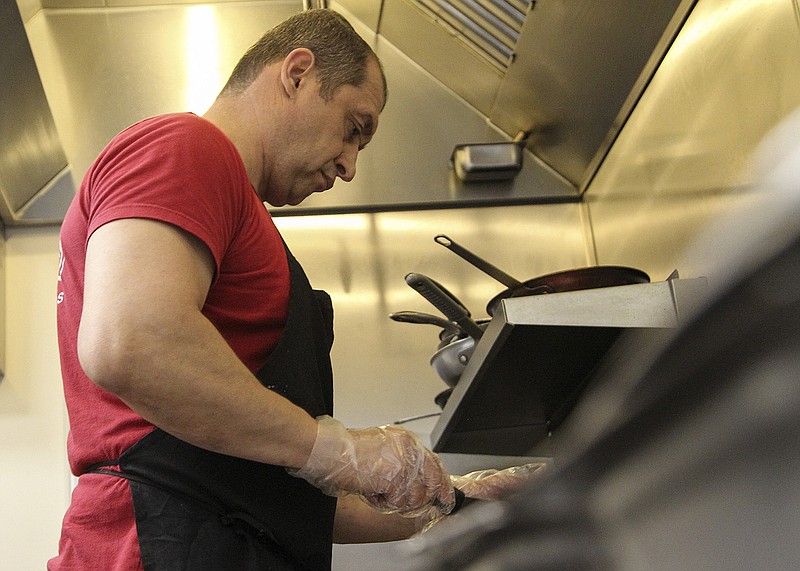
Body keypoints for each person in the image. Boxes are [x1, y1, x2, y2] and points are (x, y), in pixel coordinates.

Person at [50, 9, 539, 570]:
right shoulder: (187, 147)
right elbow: (130, 342)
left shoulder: (236, 211)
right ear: (298, 73)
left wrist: (456, 501)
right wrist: (335, 448)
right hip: (159, 543)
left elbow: (286, 503)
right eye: (355, 129)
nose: (350, 166)